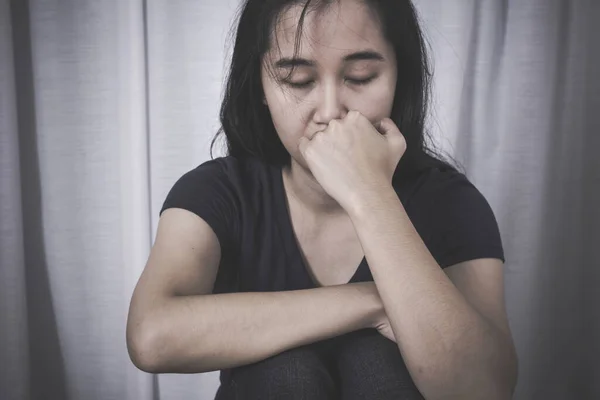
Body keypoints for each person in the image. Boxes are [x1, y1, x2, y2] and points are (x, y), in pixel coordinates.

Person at [126, 0, 518, 398]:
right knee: (285, 371)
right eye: (298, 80)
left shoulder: (449, 201)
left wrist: (370, 194)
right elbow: (152, 336)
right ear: (260, 86)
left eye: (361, 76)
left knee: (375, 362)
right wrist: (375, 303)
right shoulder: (218, 191)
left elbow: (483, 390)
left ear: (400, 74)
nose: (330, 112)